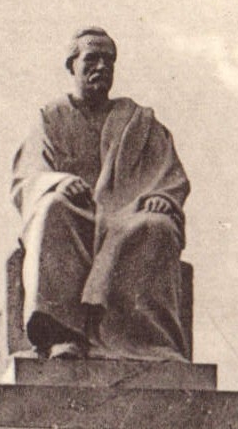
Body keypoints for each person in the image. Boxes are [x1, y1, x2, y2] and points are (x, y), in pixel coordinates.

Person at [12, 28, 190, 361]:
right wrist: (58, 182)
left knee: (158, 226)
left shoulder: (139, 120)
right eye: (92, 58)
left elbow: (169, 176)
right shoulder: (49, 117)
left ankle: (146, 342)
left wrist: (162, 197)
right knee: (52, 208)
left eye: (109, 60)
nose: (102, 67)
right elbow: (28, 176)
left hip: (128, 215)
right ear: (72, 64)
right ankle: (61, 336)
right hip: (76, 214)